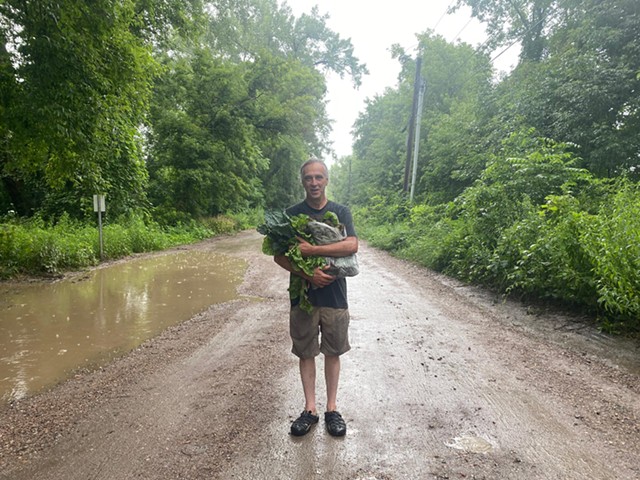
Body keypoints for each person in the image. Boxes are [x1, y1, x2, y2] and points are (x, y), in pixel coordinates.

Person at [274, 157, 358, 437]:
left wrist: (312, 252)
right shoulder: (292, 215)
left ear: (326, 180)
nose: (314, 183)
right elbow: (279, 255)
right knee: (306, 351)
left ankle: (332, 409)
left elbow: (352, 244)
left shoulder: (341, 212)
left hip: (335, 296)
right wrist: (309, 275)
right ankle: (310, 409)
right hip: (303, 296)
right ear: (303, 181)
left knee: (333, 352)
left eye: (318, 177)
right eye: (308, 178)